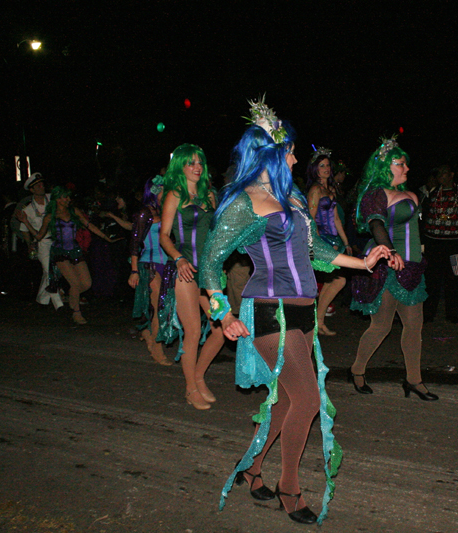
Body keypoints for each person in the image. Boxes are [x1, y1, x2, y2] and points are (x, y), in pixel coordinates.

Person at [199, 99, 390, 524]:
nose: (296, 156)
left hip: (303, 311)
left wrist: (363, 261)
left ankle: (252, 468)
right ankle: (289, 486)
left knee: (288, 400)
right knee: (306, 398)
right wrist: (222, 312)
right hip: (270, 310)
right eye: (289, 150)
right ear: (270, 153)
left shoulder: (290, 197)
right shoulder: (245, 202)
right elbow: (211, 260)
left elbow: (314, 249)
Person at [350, 136, 437, 401]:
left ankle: (414, 380)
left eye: (406, 164)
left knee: (414, 326)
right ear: (385, 167)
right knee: (381, 326)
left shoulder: (411, 193)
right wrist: (390, 252)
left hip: (411, 268)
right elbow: (376, 224)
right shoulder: (377, 194)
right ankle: (357, 370)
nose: (406, 169)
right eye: (400, 164)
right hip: (388, 267)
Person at [158, 143, 224, 410]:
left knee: (221, 328)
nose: (197, 167)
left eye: (200, 162)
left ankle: (198, 376)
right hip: (185, 270)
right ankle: (190, 388)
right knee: (194, 331)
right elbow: (164, 236)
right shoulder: (175, 193)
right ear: (181, 166)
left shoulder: (210, 195)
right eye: (190, 163)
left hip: (208, 271)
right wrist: (178, 257)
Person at [18, 186, 117, 325]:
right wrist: (26, 222)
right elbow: (39, 236)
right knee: (75, 283)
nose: (68, 199)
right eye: (66, 197)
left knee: (87, 283)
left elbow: (89, 225)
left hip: (75, 250)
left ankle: (72, 297)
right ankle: (76, 313)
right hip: (60, 252)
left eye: (69, 197)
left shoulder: (74, 211)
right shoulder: (49, 216)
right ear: (58, 199)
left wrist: (107, 238)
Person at [421, 163, 458, 324]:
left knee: (454, 279)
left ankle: (452, 314)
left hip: (455, 245)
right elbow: (423, 217)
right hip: (434, 244)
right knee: (432, 280)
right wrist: (423, 242)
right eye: (439, 174)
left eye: (444, 173)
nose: (440, 177)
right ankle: (428, 313)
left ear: (451, 175)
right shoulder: (432, 193)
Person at [306, 147, 350, 335]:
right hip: (321, 240)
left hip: (333, 239)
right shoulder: (315, 189)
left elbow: (336, 219)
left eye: (327, 166)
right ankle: (317, 322)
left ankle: (319, 321)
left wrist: (346, 243)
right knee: (338, 280)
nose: (326, 169)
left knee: (335, 280)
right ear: (315, 169)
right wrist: (318, 244)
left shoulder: (330, 189)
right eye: (322, 166)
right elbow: (310, 219)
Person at [129, 176, 172, 366]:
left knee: (167, 307)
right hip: (149, 264)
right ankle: (156, 348)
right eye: (163, 189)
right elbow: (134, 243)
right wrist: (134, 270)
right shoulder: (144, 213)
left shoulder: (169, 211)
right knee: (158, 307)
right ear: (154, 191)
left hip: (168, 265)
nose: (167, 192)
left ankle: (147, 333)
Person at [14, 173, 64, 310]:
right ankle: (59, 303)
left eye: (42, 184)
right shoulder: (28, 209)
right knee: (50, 271)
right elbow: (24, 228)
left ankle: (42, 299)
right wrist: (29, 244)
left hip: (58, 241)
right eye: (38, 186)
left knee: (55, 270)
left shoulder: (52, 199)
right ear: (32, 190)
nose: (42, 187)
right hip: (43, 242)